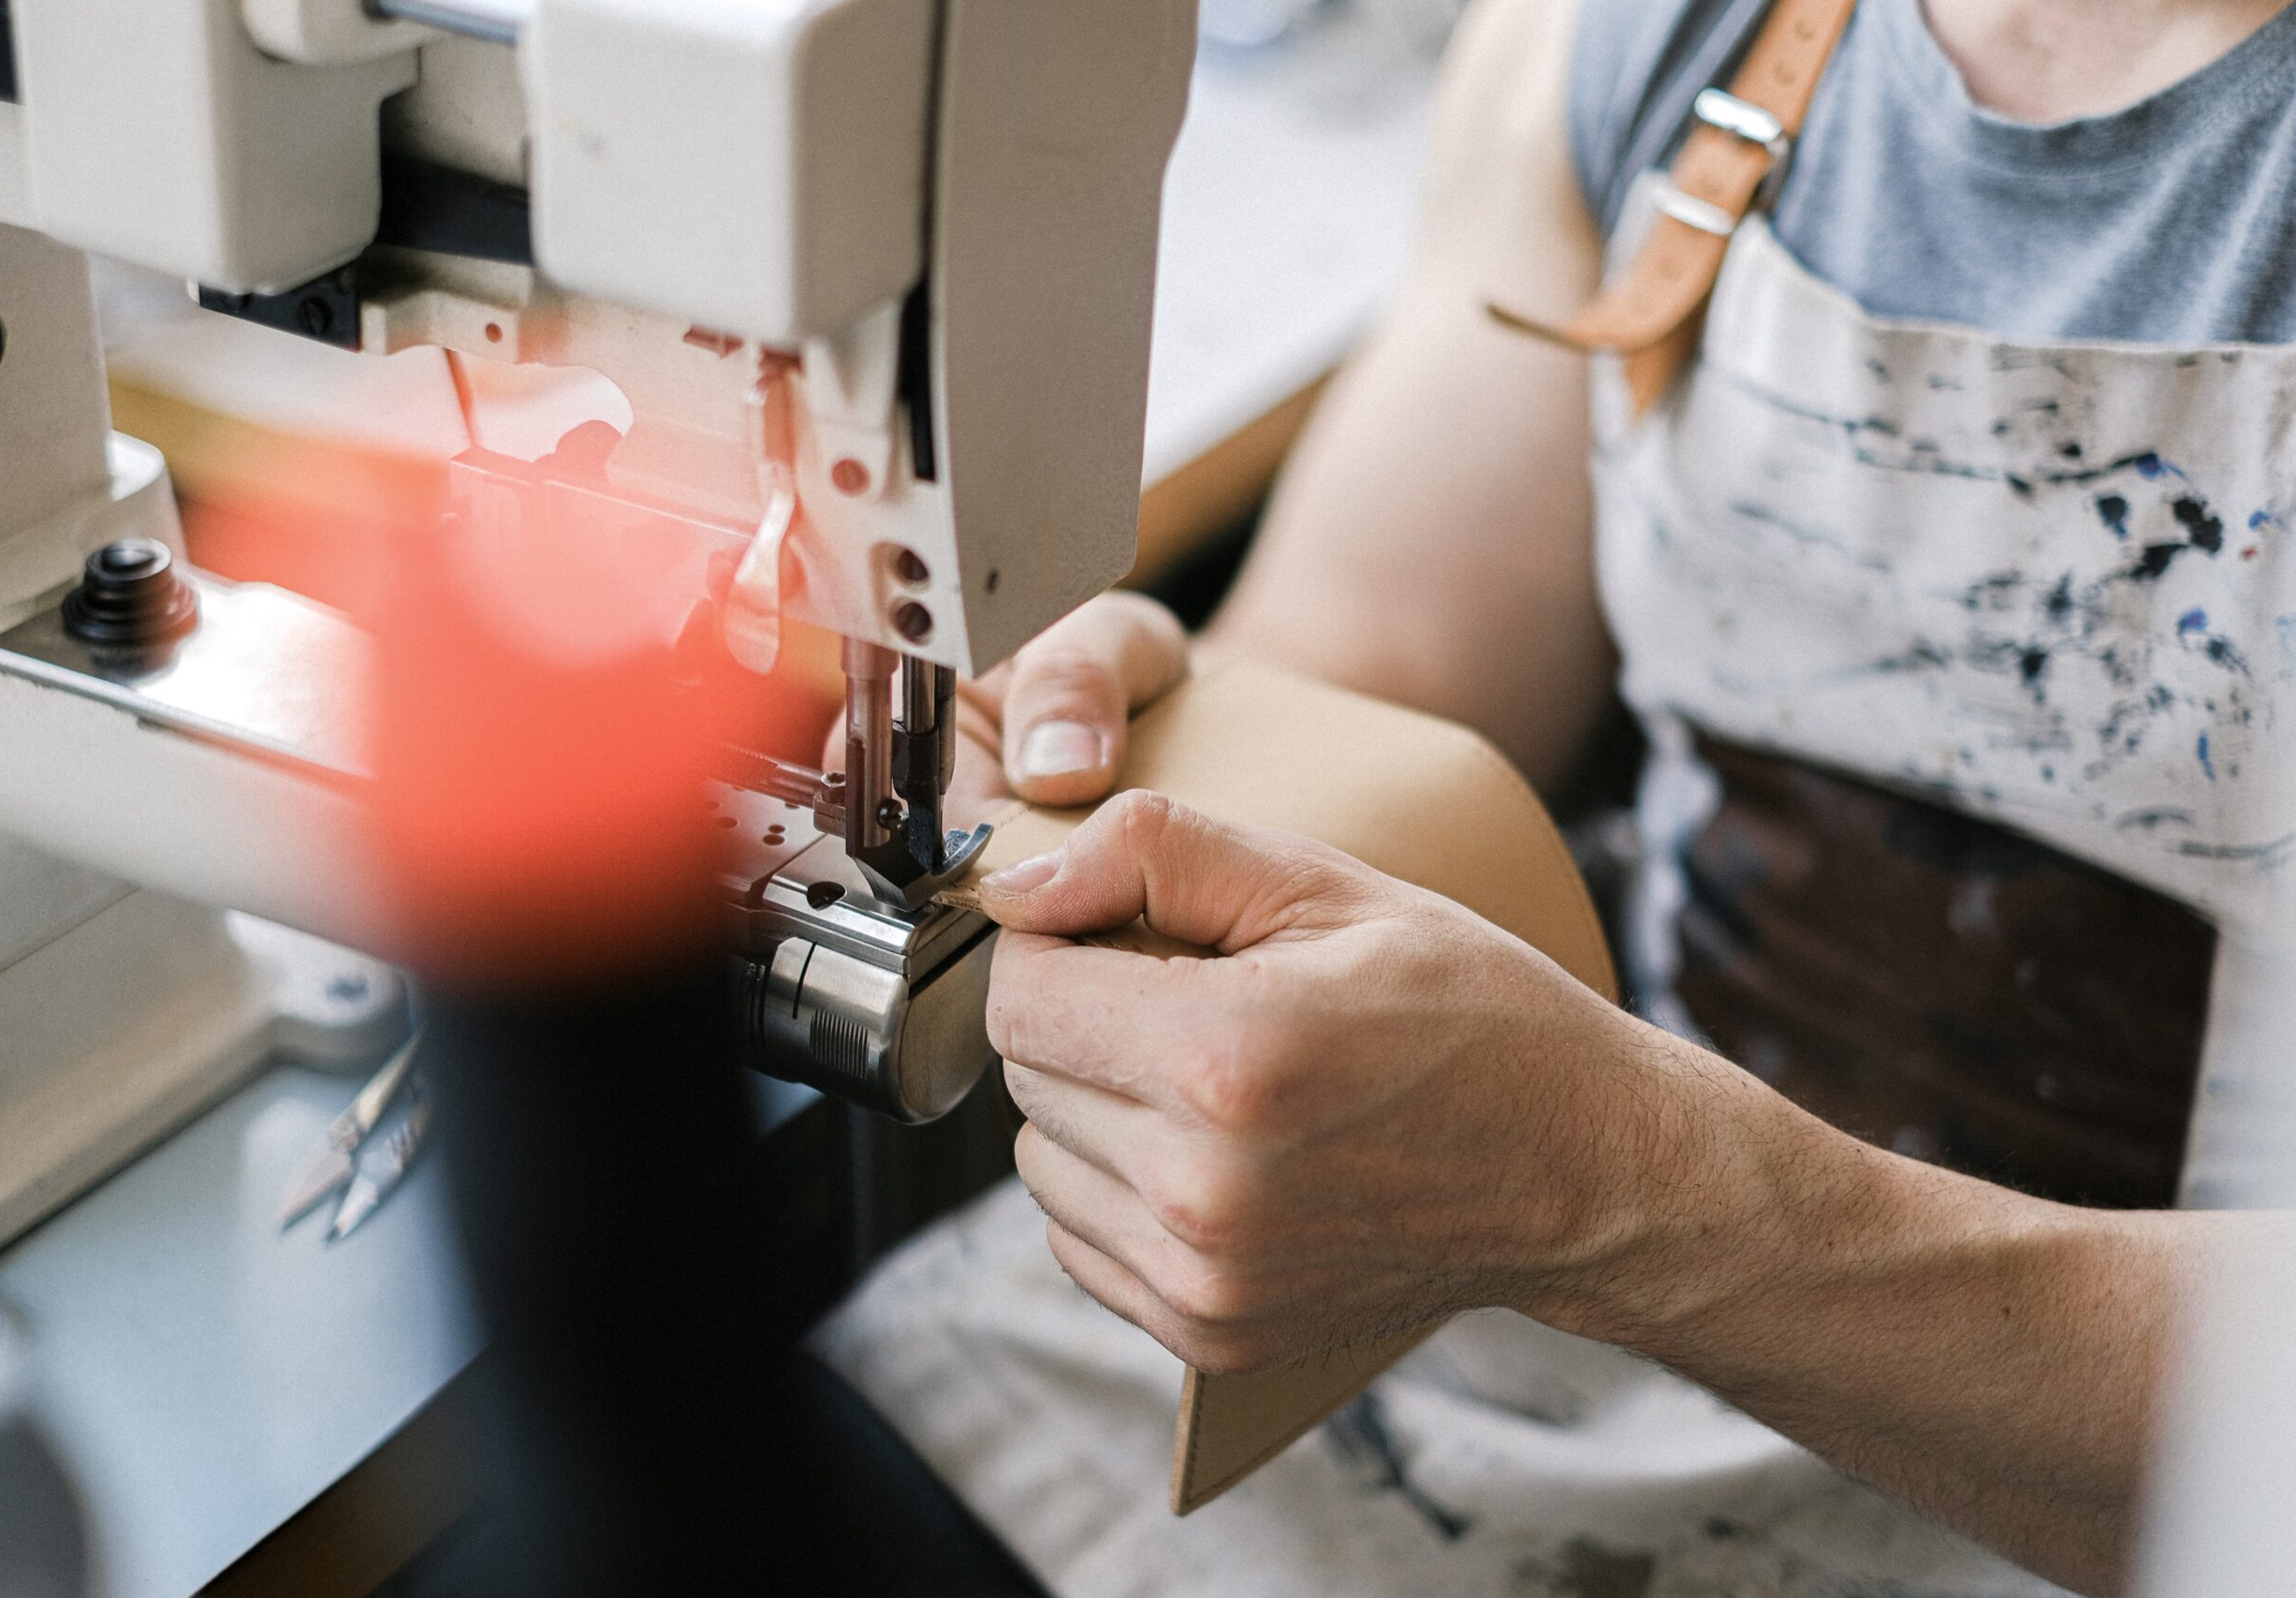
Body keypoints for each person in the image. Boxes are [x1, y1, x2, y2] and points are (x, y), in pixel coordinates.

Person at [815, 0, 2296, 1593]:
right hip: (1568, 1306)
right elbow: (1379, 654)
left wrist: (1619, 1197)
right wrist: (1121, 752)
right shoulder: (1653, 34)